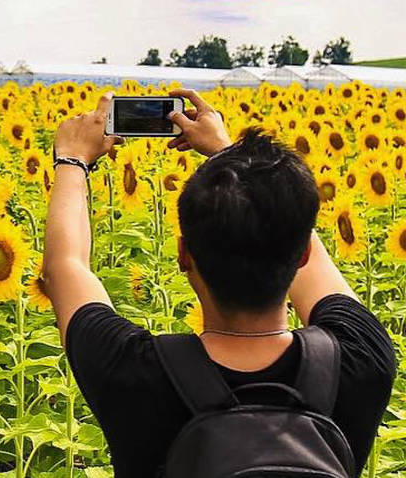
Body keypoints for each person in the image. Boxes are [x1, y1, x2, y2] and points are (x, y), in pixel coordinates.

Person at [41, 89, 396, 477]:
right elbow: (301, 241)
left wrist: (72, 160)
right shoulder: (362, 358)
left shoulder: (131, 371)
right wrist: (229, 154)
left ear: (184, 255)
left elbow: (65, 267)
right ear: (302, 255)